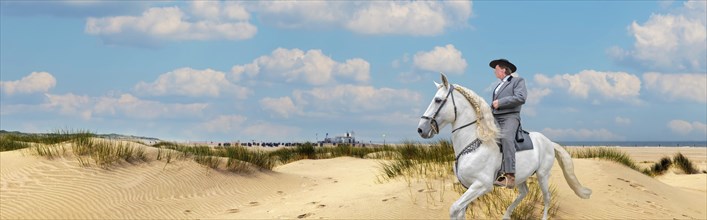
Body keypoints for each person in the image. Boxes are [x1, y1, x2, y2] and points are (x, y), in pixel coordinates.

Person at [489, 58, 527, 188]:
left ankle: (510, 175)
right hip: (495, 116)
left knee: (506, 138)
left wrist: (501, 102)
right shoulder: (497, 86)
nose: (495, 72)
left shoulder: (517, 81)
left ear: (504, 70)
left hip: (510, 116)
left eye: (496, 70)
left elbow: (521, 98)